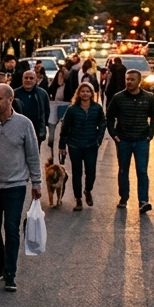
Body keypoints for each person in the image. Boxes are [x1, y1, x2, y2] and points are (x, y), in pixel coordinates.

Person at [0, 84, 42, 292]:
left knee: (12, 229)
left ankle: (11, 273)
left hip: (15, 186)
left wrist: (37, 182)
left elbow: (32, 154)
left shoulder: (24, 124)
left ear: (9, 100)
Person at [105, 69, 154, 213]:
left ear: (139, 81)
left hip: (142, 140)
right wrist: (114, 135)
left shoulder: (148, 98)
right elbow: (109, 117)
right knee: (123, 170)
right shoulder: (118, 98)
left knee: (142, 171)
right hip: (124, 140)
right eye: (127, 79)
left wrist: (150, 134)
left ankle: (143, 201)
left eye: (132, 79)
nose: (129, 82)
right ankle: (124, 198)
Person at [59, 81, 105, 210]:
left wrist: (98, 139)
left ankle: (88, 190)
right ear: (78, 93)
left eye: (88, 91)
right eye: (83, 91)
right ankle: (78, 199)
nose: (85, 93)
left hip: (91, 144)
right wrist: (62, 146)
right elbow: (65, 128)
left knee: (91, 172)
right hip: (75, 145)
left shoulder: (97, 108)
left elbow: (102, 123)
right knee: (77, 172)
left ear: (92, 94)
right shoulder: (72, 109)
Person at [13, 69, 50, 147]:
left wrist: (43, 127)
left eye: (31, 78)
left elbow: (46, 112)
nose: (28, 80)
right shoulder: (15, 94)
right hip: (19, 130)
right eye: (26, 78)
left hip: (36, 130)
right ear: (22, 79)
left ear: (36, 79)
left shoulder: (42, 94)